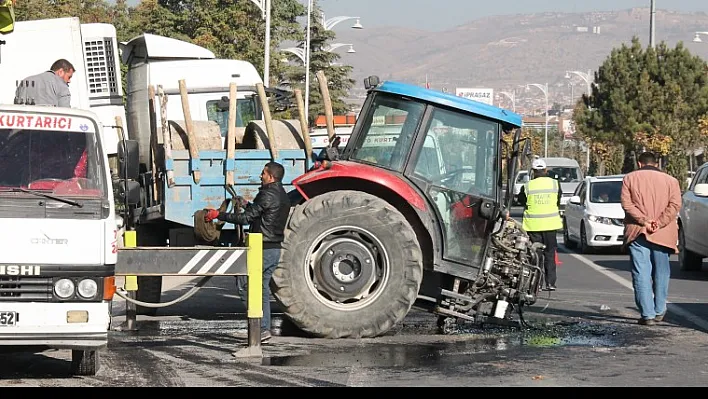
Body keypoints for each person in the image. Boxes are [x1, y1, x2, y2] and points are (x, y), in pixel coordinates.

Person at [203, 161, 290, 342]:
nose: (260, 176)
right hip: (274, 249)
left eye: (263, 173)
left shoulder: (267, 194)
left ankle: (257, 328)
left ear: (271, 177)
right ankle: (263, 329)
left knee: (245, 284)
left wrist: (218, 215)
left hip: (262, 249)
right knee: (262, 289)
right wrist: (245, 203)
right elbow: (261, 214)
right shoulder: (282, 195)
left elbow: (245, 219)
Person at [620, 152, 681, 326]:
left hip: (638, 231)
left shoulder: (629, 178)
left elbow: (627, 204)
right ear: (657, 163)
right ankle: (660, 309)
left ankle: (647, 314)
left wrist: (644, 221)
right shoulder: (671, 181)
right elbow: (675, 205)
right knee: (662, 272)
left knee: (641, 273)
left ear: (639, 163)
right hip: (662, 233)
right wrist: (659, 223)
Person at [517, 158, 564, 291]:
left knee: (535, 256)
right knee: (550, 254)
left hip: (534, 226)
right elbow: (558, 200)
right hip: (550, 225)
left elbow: (521, 200)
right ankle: (550, 283)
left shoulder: (527, 186)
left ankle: (535, 283)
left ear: (533, 171)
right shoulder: (555, 184)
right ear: (545, 170)